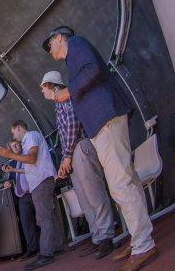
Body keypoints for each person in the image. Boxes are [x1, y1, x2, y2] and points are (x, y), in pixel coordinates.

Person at [42, 26, 157, 271]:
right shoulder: (72, 58)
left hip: (105, 118)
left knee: (120, 184)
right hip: (101, 124)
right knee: (128, 180)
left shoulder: (78, 44)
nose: (49, 50)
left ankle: (143, 245)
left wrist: (67, 93)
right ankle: (139, 237)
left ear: (60, 38)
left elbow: (93, 70)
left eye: (49, 44)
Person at [40, 70, 115, 259]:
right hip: (72, 154)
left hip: (80, 147)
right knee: (84, 198)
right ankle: (98, 238)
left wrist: (66, 157)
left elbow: (73, 126)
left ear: (53, 86)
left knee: (93, 193)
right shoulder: (58, 104)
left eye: (43, 88)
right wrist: (65, 160)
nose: (42, 92)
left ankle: (107, 236)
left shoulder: (65, 98)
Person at [0, 121, 63, 270]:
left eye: (13, 132)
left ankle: (46, 254)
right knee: (48, 216)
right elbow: (31, 166)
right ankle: (57, 246)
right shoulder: (28, 141)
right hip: (39, 183)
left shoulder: (31, 136)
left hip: (41, 183)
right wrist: (14, 170)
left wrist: (10, 154)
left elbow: (32, 158)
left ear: (19, 128)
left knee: (43, 219)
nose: (13, 135)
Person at [2, 140, 39, 261]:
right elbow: (12, 178)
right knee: (26, 223)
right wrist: (7, 181)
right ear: (10, 149)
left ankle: (50, 246)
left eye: (17, 144)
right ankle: (32, 248)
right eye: (13, 146)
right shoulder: (13, 162)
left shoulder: (28, 155)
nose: (16, 147)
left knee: (42, 219)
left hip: (34, 191)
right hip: (22, 196)